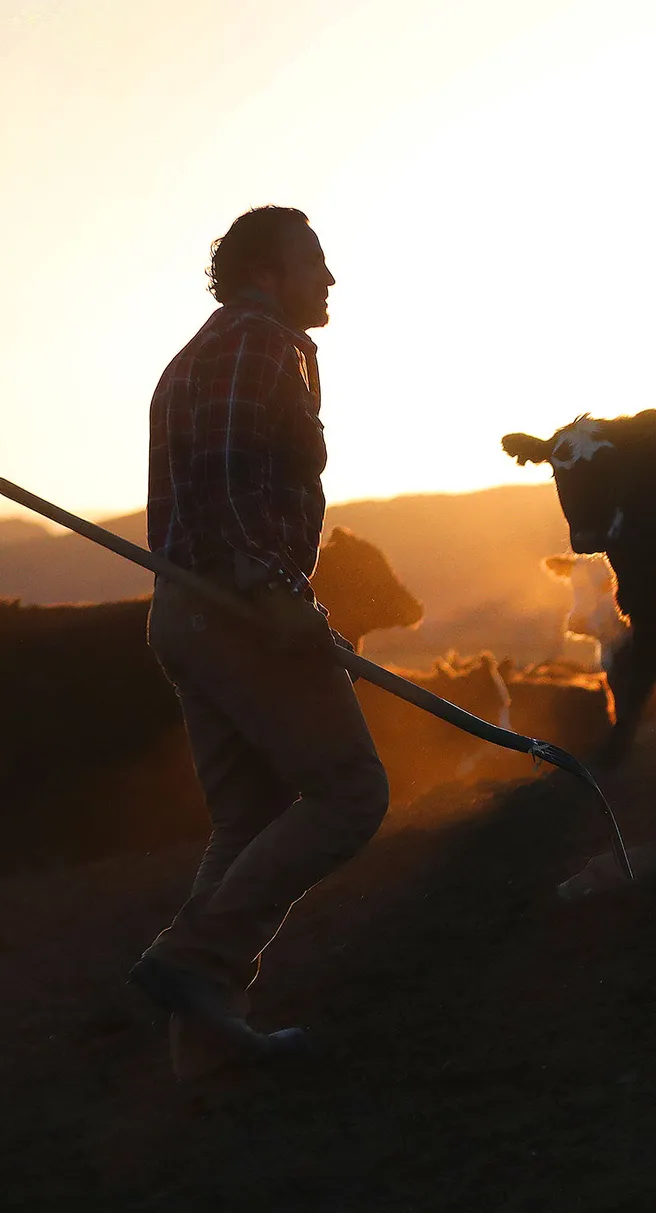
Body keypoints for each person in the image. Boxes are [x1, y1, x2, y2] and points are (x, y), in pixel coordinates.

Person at [129, 206, 389, 1078]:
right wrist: (275, 595)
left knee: (248, 816)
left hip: (187, 610)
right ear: (266, 273)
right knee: (350, 789)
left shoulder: (208, 350)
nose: (329, 278)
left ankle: (202, 1051)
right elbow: (231, 481)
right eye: (313, 260)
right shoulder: (253, 342)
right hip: (235, 606)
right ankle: (196, 961)